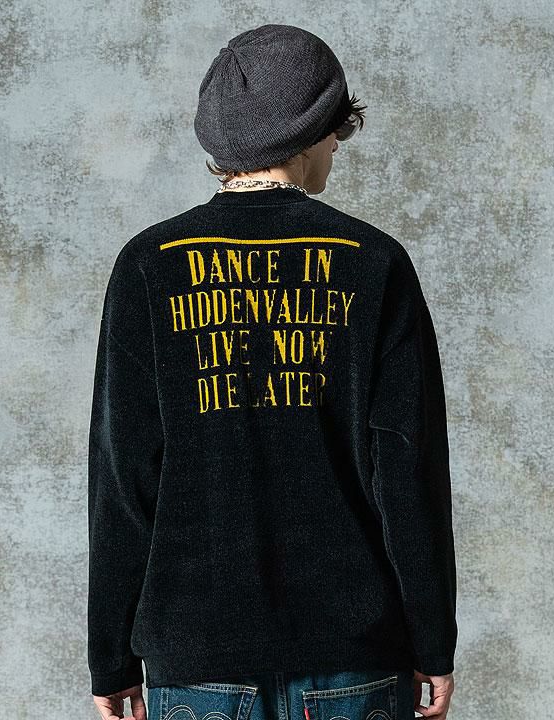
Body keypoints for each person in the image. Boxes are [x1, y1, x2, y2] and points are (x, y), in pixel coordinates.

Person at [87, 23, 458, 720]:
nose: (337, 147)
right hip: (353, 651)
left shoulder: (149, 264)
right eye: (335, 130)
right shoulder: (373, 262)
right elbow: (409, 476)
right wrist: (434, 641)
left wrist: (109, 656)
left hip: (196, 654)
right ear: (310, 131)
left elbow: (123, 478)